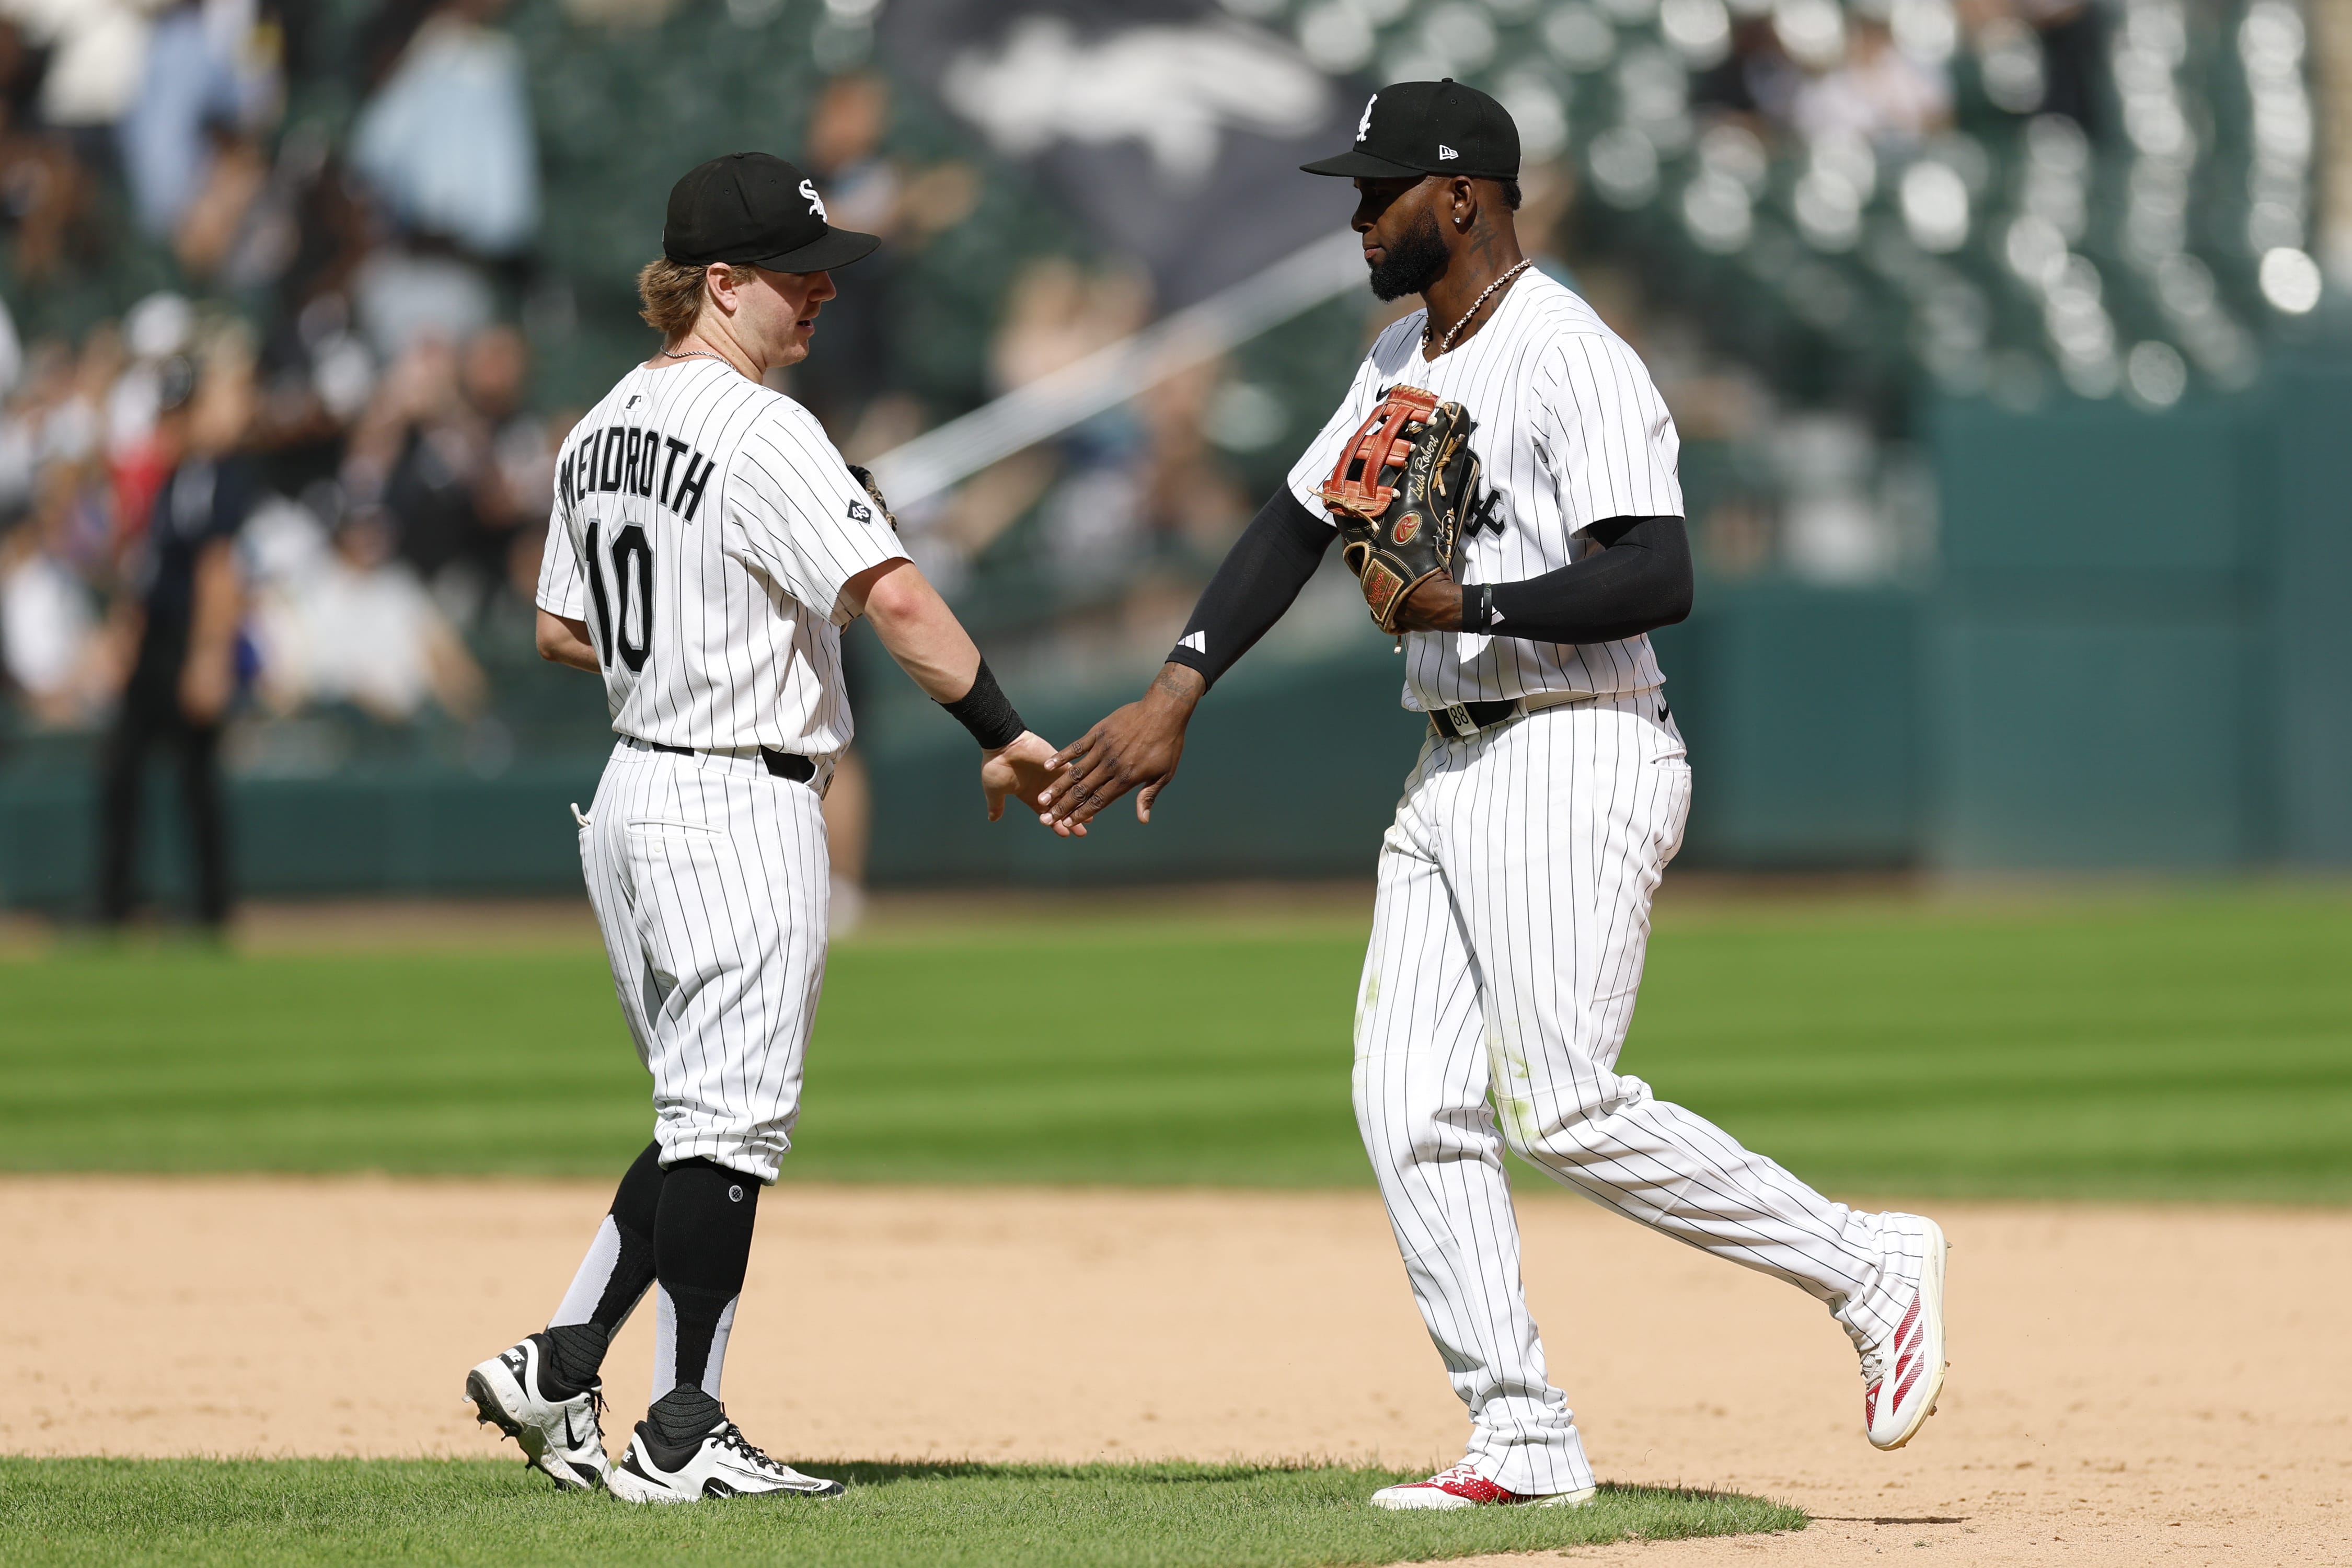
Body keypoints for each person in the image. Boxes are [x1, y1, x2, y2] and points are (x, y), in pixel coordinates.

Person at [1037, 81, 1949, 1510]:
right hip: (1450, 761)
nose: (1354, 215)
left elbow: (1658, 571)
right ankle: (1519, 1429)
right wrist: (1177, 687)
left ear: (1460, 197)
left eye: (1377, 190)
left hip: (1574, 741)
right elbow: (1295, 521)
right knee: (1406, 1106)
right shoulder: (1403, 349)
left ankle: (1865, 1263)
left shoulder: (1567, 352)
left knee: (1564, 1106)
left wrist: (1471, 593)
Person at [463, 151, 1063, 1504]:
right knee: (728, 1130)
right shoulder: (763, 429)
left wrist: (692, 626)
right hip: (736, 794)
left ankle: (559, 1363)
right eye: (798, 274)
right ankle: (683, 1434)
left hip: (629, 794)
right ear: (716, 285)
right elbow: (903, 605)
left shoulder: (599, 425)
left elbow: (561, 627)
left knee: (695, 1118)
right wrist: (1007, 733)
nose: (823, 293)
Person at [96, 353, 252, 931]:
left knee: (196, 777)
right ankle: (116, 901)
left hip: (189, 639)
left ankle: (213, 909)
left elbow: (219, 571)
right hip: (158, 640)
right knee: (123, 768)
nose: (172, 424)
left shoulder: (219, 474)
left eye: (181, 411)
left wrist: (210, 659)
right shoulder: (170, 479)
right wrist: (126, 638)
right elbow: (144, 568)